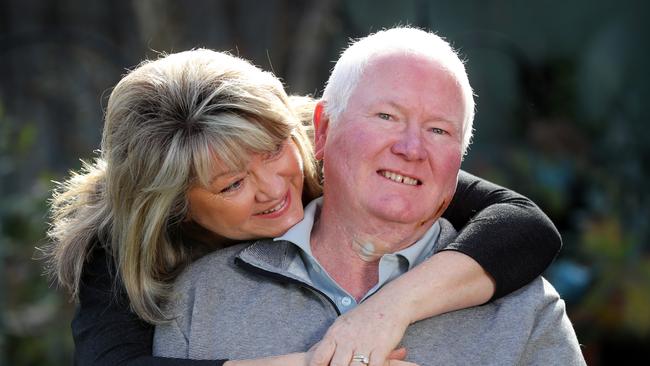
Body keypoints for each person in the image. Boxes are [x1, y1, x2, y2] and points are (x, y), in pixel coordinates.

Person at [43, 47, 561, 366]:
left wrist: (382, 313)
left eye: (273, 153)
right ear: (176, 207)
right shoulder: (122, 249)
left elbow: (523, 225)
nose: (273, 188)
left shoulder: (336, 144)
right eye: (232, 185)